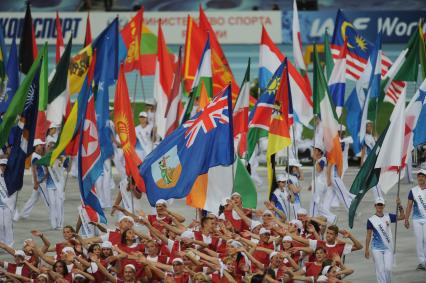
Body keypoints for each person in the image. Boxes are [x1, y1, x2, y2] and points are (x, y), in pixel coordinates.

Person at [365, 197, 405, 282]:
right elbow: (368, 236)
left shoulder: (389, 216)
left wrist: (399, 205)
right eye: (378, 205)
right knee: (380, 270)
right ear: (375, 206)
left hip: (388, 247)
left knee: (388, 269)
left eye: (381, 205)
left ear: (384, 206)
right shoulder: (371, 220)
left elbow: (402, 216)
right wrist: (366, 249)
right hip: (376, 248)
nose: (379, 206)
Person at [15, 139, 50, 221]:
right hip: (39, 182)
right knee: (47, 199)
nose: (42, 146)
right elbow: (34, 170)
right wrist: (36, 182)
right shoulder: (35, 156)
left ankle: (24, 213)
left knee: (33, 198)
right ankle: (53, 215)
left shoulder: (38, 155)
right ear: (36, 147)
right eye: (40, 145)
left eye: (42, 145)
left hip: (39, 181)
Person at [405, 168, 426, 270]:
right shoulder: (413, 191)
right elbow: (409, 206)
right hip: (417, 219)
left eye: (423, 176)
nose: (421, 178)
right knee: (419, 240)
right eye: (419, 176)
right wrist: (406, 219)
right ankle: (422, 262)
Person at [45, 135, 65, 230]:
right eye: (50, 146)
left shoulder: (61, 158)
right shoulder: (46, 158)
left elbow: (66, 167)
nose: (51, 147)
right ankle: (53, 224)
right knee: (52, 204)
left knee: (59, 204)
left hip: (59, 185)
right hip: (49, 184)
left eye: (53, 146)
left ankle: (60, 224)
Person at [0, 158, 13, 246]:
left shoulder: (10, 177)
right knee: (0, 225)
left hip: (8, 204)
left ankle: (10, 245)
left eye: (5, 165)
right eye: (1, 165)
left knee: (7, 225)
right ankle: (2, 244)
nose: (3, 167)